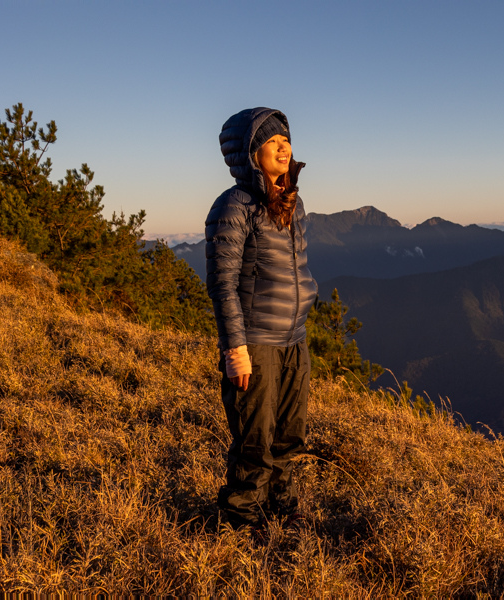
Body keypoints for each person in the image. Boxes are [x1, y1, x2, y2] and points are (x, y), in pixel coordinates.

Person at [205, 107, 317, 536]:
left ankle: (281, 509)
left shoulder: (291, 200)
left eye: (285, 139)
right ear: (250, 154)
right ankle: (240, 522)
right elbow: (222, 284)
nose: (283, 146)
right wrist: (235, 350)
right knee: (254, 439)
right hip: (255, 341)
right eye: (271, 141)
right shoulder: (235, 205)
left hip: (294, 340)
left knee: (289, 435)